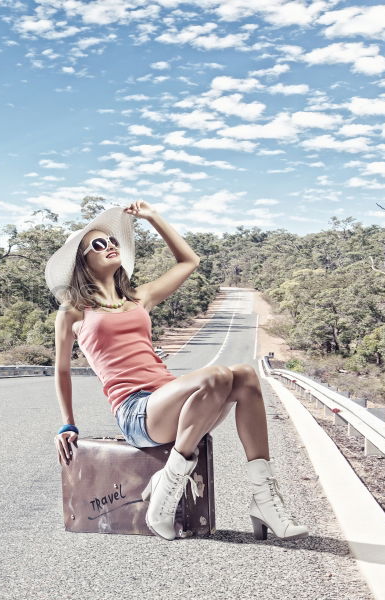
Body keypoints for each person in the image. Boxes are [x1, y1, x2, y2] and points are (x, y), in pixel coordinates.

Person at [46, 202, 308, 542]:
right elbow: (62, 371)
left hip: (180, 406)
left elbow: (189, 261)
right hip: (137, 411)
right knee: (215, 376)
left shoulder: (139, 299)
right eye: (97, 244)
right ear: (82, 261)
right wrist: (68, 423)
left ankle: (264, 500)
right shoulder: (73, 313)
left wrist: (153, 218)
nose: (109, 245)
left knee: (244, 375)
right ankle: (168, 487)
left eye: (111, 240)